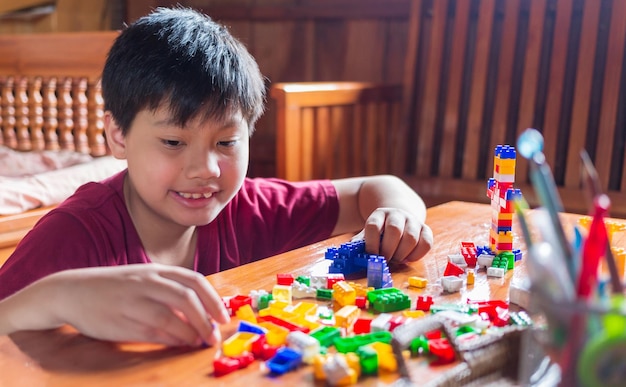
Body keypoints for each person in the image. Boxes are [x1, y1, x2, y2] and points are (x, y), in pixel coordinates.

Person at [0, 7, 432, 347]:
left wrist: (399, 214)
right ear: (118, 136)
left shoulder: (249, 207)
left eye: (226, 143)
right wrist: (56, 296)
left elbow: (375, 188)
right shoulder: (75, 234)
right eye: (173, 142)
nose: (206, 169)